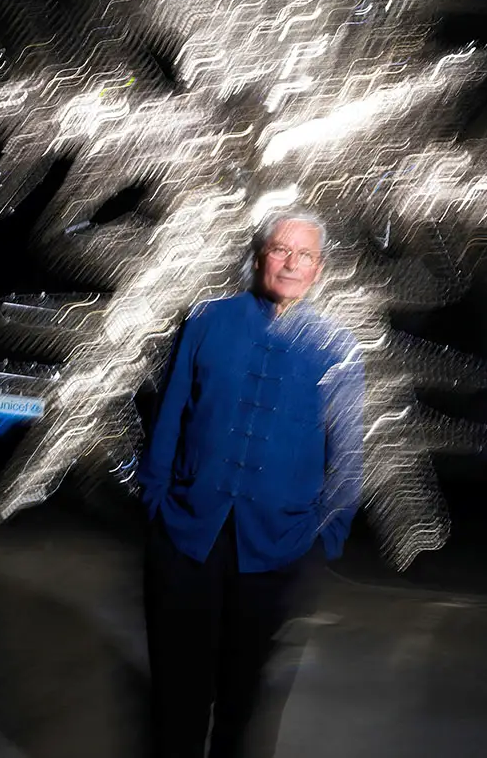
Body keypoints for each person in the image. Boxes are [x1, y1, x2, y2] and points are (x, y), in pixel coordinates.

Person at [138, 209, 365, 758]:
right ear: (260, 255)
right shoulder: (208, 321)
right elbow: (169, 417)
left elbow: (349, 452)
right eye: (280, 250)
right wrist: (155, 501)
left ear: (319, 268)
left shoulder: (338, 347)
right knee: (178, 685)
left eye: (304, 254)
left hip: (278, 547)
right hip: (188, 534)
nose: (290, 263)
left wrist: (322, 537)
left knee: (247, 690)